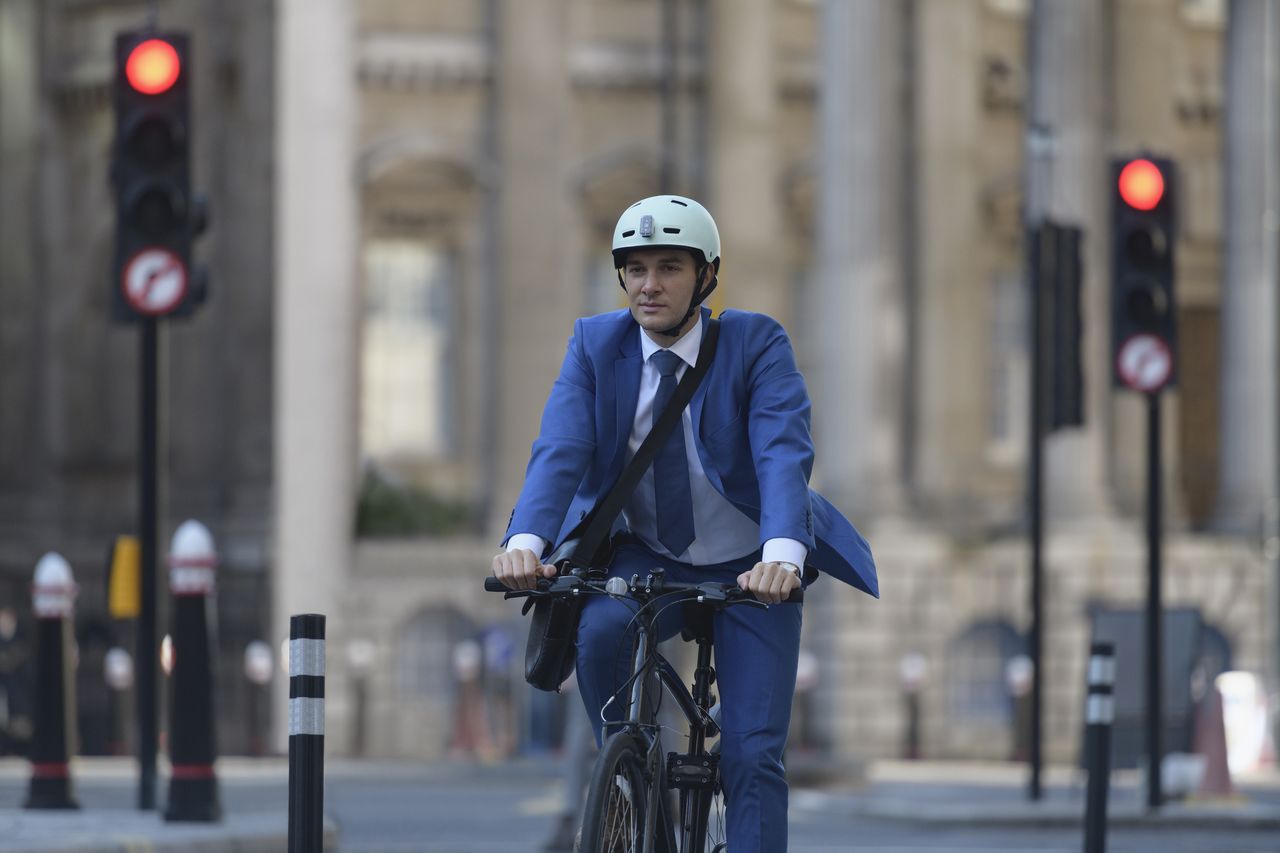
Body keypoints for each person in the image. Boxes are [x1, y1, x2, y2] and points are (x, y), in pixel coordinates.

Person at [491, 194, 878, 852]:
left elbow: (781, 450)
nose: (650, 284)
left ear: (706, 275)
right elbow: (560, 450)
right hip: (649, 554)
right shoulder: (594, 345)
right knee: (602, 631)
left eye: (670, 266)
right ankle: (633, 784)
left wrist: (783, 554)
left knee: (752, 756)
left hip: (752, 565)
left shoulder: (756, 343)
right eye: (636, 269)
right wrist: (524, 543)